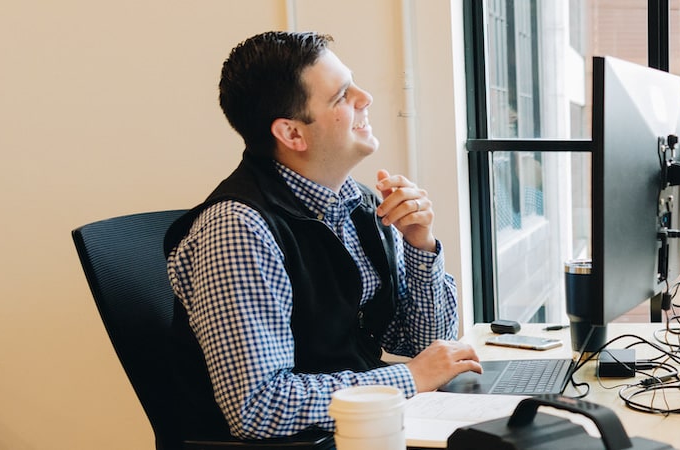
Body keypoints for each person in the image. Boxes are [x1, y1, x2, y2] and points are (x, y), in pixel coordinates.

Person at [164, 31, 481, 441]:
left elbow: (424, 341)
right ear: (293, 134)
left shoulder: (359, 203)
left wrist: (421, 245)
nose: (365, 98)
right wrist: (408, 379)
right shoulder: (238, 229)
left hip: (361, 427)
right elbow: (259, 406)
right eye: (342, 96)